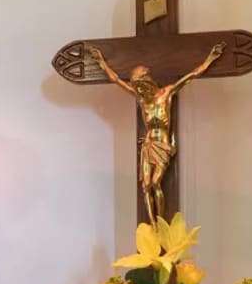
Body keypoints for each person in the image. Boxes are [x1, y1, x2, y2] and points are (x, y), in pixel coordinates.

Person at [90, 43, 226, 226]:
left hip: (162, 144)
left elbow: (192, 75)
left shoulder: (166, 94)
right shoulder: (142, 100)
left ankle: (161, 222)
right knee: (145, 186)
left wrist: (210, 58)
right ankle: (153, 225)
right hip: (148, 144)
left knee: (155, 183)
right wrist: (101, 62)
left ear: (148, 82)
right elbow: (117, 80)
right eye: (137, 87)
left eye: (141, 86)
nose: (140, 90)